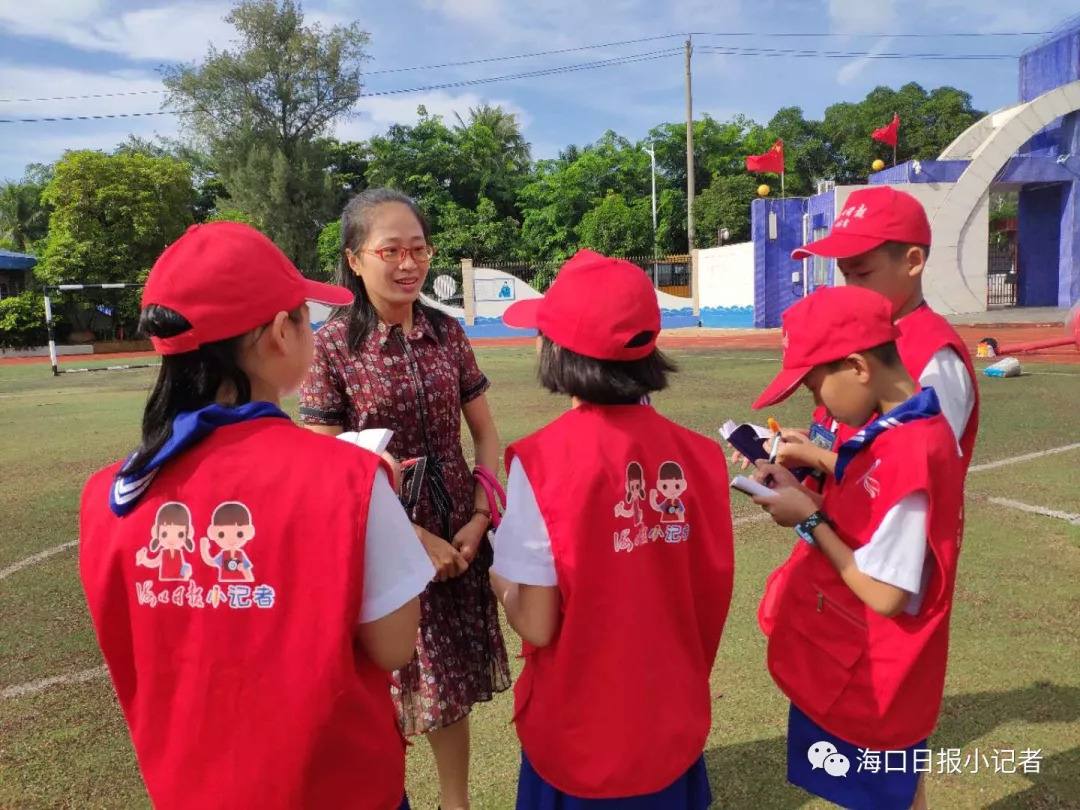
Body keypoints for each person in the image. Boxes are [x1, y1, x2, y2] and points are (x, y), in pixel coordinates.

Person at [78, 222, 434, 810]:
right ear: (277, 333)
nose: (313, 332)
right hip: (339, 789)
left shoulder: (108, 496)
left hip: (189, 790)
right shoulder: (348, 478)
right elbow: (395, 644)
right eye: (306, 318)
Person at [491, 250, 735, 810]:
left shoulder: (542, 460)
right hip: (669, 719)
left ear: (559, 351)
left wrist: (497, 579)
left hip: (578, 733)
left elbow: (536, 619)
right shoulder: (700, 456)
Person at [299, 189, 510, 810]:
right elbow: (328, 458)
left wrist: (478, 516)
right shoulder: (332, 344)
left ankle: (455, 804)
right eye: (390, 249)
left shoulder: (448, 333)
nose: (408, 263)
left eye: (418, 249)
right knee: (381, 679)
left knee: (444, 676)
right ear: (355, 260)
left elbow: (486, 433)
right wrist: (412, 541)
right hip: (376, 532)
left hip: (458, 525)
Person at [749, 285, 966, 810]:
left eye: (816, 385)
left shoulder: (913, 451)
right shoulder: (898, 426)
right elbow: (864, 477)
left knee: (882, 794)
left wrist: (810, 519)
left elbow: (888, 594)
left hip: (874, 670)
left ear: (857, 367)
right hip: (849, 651)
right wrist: (806, 483)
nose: (815, 402)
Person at [735, 185, 979, 481]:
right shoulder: (861, 334)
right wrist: (800, 444)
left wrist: (814, 457)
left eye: (862, 273)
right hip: (839, 516)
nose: (851, 286)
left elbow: (922, 470)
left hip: (872, 524)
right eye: (845, 274)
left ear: (912, 261)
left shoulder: (934, 354)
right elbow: (859, 439)